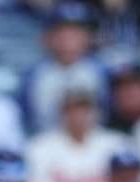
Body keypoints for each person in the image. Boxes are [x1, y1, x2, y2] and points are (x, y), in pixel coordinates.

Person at [26, 87, 128, 182]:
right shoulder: (39, 146)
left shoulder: (117, 143)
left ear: (96, 112)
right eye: (70, 110)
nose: (77, 115)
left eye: (83, 109)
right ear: (60, 113)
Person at [21, 3, 109, 133]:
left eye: (75, 33)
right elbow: (28, 119)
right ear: (47, 38)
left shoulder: (102, 71)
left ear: (88, 37)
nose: (68, 41)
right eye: (61, 33)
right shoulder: (33, 75)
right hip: (46, 142)